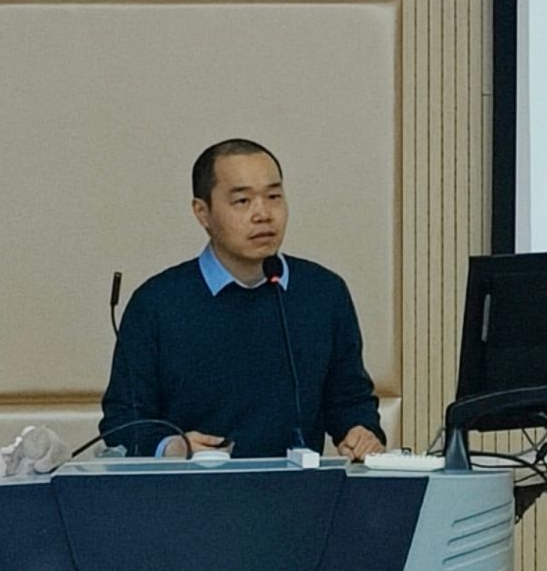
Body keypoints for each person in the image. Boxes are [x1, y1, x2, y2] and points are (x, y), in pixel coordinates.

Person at [101, 139, 387, 460]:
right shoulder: (157, 304)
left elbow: (349, 400)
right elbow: (122, 422)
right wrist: (173, 447)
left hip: (298, 488)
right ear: (202, 212)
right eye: (242, 201)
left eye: (274, 197)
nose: (263, 214)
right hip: (192, 487)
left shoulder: (323, 293)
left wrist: (361, 431)